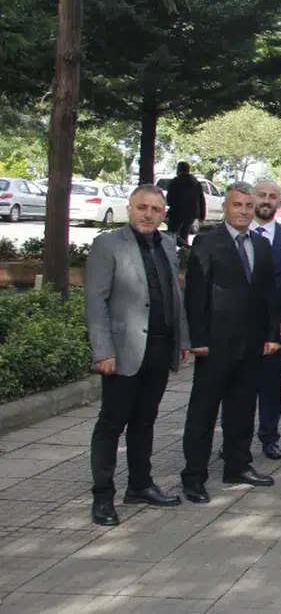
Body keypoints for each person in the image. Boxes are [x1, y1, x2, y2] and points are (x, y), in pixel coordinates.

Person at [86, 185, 189, 527]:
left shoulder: (168, 244)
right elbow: (95, 302)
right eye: (142, 207)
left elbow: (176, 296)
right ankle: (103, 496)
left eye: (155, 209)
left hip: (159, 348)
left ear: (163, 213)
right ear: (129, 208)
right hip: (122, 351)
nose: (148, 214)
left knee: (145, 420)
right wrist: (103, 350)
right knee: (111, 424)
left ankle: (140, 485)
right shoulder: (108, 244)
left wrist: (183, 340)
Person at [180, 182, 279, 503]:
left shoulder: (262, 246)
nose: (244, 212)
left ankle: (237, 465)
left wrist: (270, 336)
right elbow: (196, 295)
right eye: (238, 205)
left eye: (249, 207)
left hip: (251, 345)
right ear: (225, 207)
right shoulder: (207, 243)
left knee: (242, 409)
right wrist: (198, 339)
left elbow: (266, 296)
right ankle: (194, 475)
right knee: (203, 413)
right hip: (215, 344)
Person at [233, 180, 281, 462]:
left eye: (272, 197)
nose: (266, 200)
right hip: (236, 326)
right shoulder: (236, 236)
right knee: (237, 386)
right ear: (252, 198)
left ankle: (269, 438)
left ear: (279, 202)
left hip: (275, 325)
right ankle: (234, 438)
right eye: (261, 195)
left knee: (271, 385)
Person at [164, 161, 204, 245]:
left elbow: (169, 198)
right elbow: (201, 199)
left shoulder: (174, 182)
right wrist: (201, 215)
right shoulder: (195, 183)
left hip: (176, 212)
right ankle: (184, 252)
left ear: (178, 170)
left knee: (172, 234)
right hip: (191, 213)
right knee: (184, 234)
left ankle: (171, 252)